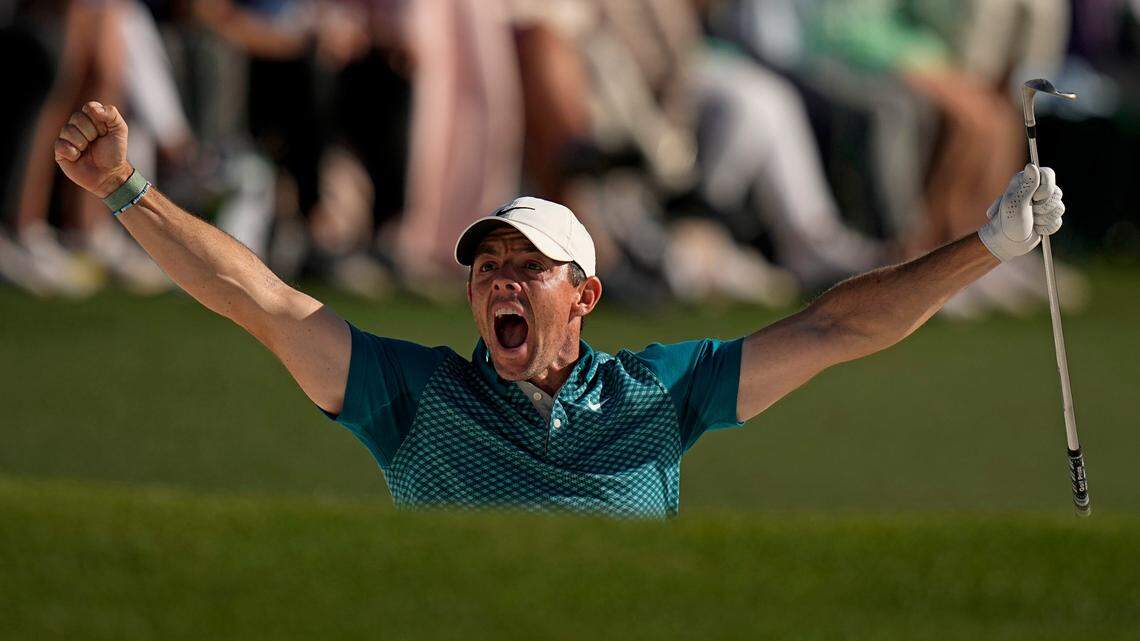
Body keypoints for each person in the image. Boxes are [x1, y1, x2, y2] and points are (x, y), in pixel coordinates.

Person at [53, 101, 1065, 517]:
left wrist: (989, 246)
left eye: (526, 266)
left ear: (581, 295)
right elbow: (263, 302)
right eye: (486, 263)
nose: (498, 279)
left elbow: (836, 325)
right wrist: (124, 189)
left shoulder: (659, 392)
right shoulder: (412, 398)